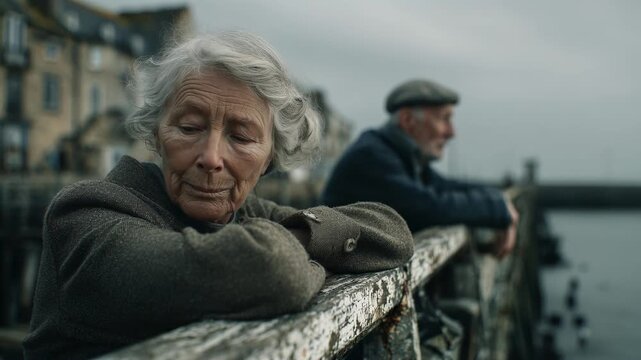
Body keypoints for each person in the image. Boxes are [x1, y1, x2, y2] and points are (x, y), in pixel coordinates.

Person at [23, 32, 414, 360]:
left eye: (241, 137)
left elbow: (390, 231)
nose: (210, 158)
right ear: (157, 134)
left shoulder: (241, 212)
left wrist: (296, 239)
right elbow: (274, 271)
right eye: (190, 127)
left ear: (270, 159)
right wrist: (298, 250)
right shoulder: (85, 214)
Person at [322, 78, 518, 257]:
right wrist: (497, 208)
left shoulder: (400, 155)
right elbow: (427, 207)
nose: (452, 132)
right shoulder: (371, 155)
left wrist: (499, 199)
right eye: (445, 118)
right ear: (408, 120)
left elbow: (445, 187)